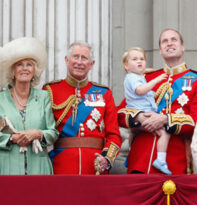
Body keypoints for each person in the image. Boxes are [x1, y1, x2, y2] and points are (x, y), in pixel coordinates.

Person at [117, 28, 197, 174]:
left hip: (175, 162)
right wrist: (139, 117)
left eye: (174, 40)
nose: (169, 43)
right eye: (164, 41)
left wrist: (165, 119)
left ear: (182, 47)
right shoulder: (145, 79)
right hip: (140, 160)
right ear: (160, 50)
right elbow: (120, 113)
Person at [43, 41, 122, 175]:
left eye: (84, 58)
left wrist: (107, 158)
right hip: (61, 165)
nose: (79, 62)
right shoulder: (50, 90)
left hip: (95, 166)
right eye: (75, 57)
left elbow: (114, 134)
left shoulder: (104, 93)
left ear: (91, 64)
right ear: (67, 60)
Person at [0, 37, 58, 175]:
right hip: (7, 166)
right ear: (12, 71)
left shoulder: (43, 97)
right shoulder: (0, 99)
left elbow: (53, 133)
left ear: (34, 72)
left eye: (29, 65)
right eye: (19, 64)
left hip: (38, 166)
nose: (24, 68)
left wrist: (37, 134)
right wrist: (11, 138)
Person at [122, 47, 172, 174]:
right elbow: (140, 90)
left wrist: (150, 71)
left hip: (137, 111)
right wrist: (156, 79)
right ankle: (161, 160)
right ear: (126, 65)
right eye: (135, 59)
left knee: (134, 132)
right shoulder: (133, 78)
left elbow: (142, 74)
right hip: (143, 112)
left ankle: (130, 153)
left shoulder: (134, 76)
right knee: (164, 133)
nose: (139, 61)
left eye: (142, 59)